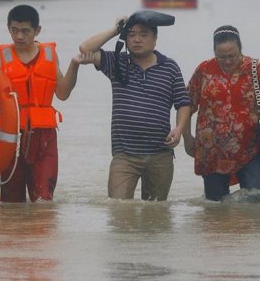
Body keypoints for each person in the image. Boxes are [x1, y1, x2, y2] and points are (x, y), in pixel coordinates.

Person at [182, 25, 260, 201]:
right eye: (221, 57)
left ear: (240, 48)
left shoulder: (256, 69)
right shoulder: (204, 70)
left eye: (232, 55)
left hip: (249, 150)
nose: (227, 61)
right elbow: (186, 104)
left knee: (253, 203)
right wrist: (187, 137)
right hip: (211, 154)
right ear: (214, 53)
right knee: (214, 209)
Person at [78, 11, 191, 201]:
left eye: (144, 35)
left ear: (155, 39)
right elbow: (84, 49)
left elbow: (183, 103)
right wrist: (116, 29)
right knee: (118, 208)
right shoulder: (117, 62)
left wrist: (179, 129)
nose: (137, 39)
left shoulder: (170, 67)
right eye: (131, 35)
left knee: (156, 215)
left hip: (160, 154)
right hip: (125, 155)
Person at [0, 4, 81, 202]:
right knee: (11, 201)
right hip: (11, 136)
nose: (19, 36)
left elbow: (63, 93)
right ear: (8, 28)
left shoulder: (50, 55)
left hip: (44, 137)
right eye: (14, 30)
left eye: (25, 31)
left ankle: (41, 232)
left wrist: (74, 66)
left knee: (43, 199)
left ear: (37, 30)